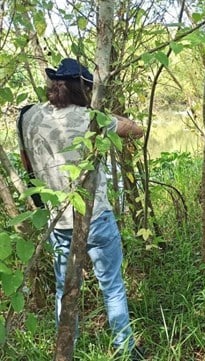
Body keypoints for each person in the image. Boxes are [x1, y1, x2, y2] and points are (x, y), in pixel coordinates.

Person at [18, 58, 145, 360]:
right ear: (84, 88)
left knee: (65, 287)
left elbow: (26, 165)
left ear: (55, 85)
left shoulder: (28, 116)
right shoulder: (92, 119)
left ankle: (67, 346)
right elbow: (137, 129)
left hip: (57, 219)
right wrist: (104, 113)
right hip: (95, 216)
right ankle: (125, 349)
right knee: (112, 286)